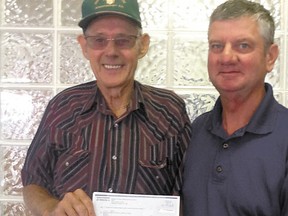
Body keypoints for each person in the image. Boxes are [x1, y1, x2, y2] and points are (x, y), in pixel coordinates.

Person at [21, 0, 192, 215]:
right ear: (84, 46)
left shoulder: (170, 111)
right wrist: (51, 208)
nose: (111, 51)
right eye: (98, 40)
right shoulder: (62, 106)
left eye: (123, 40)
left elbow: (190, 190)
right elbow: (32, 181)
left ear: (143, 44)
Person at [182, 0, 288, 215]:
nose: (226, 57)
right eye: (216, 46)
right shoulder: (194, 132)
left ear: (270, 56)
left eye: (243, 45)